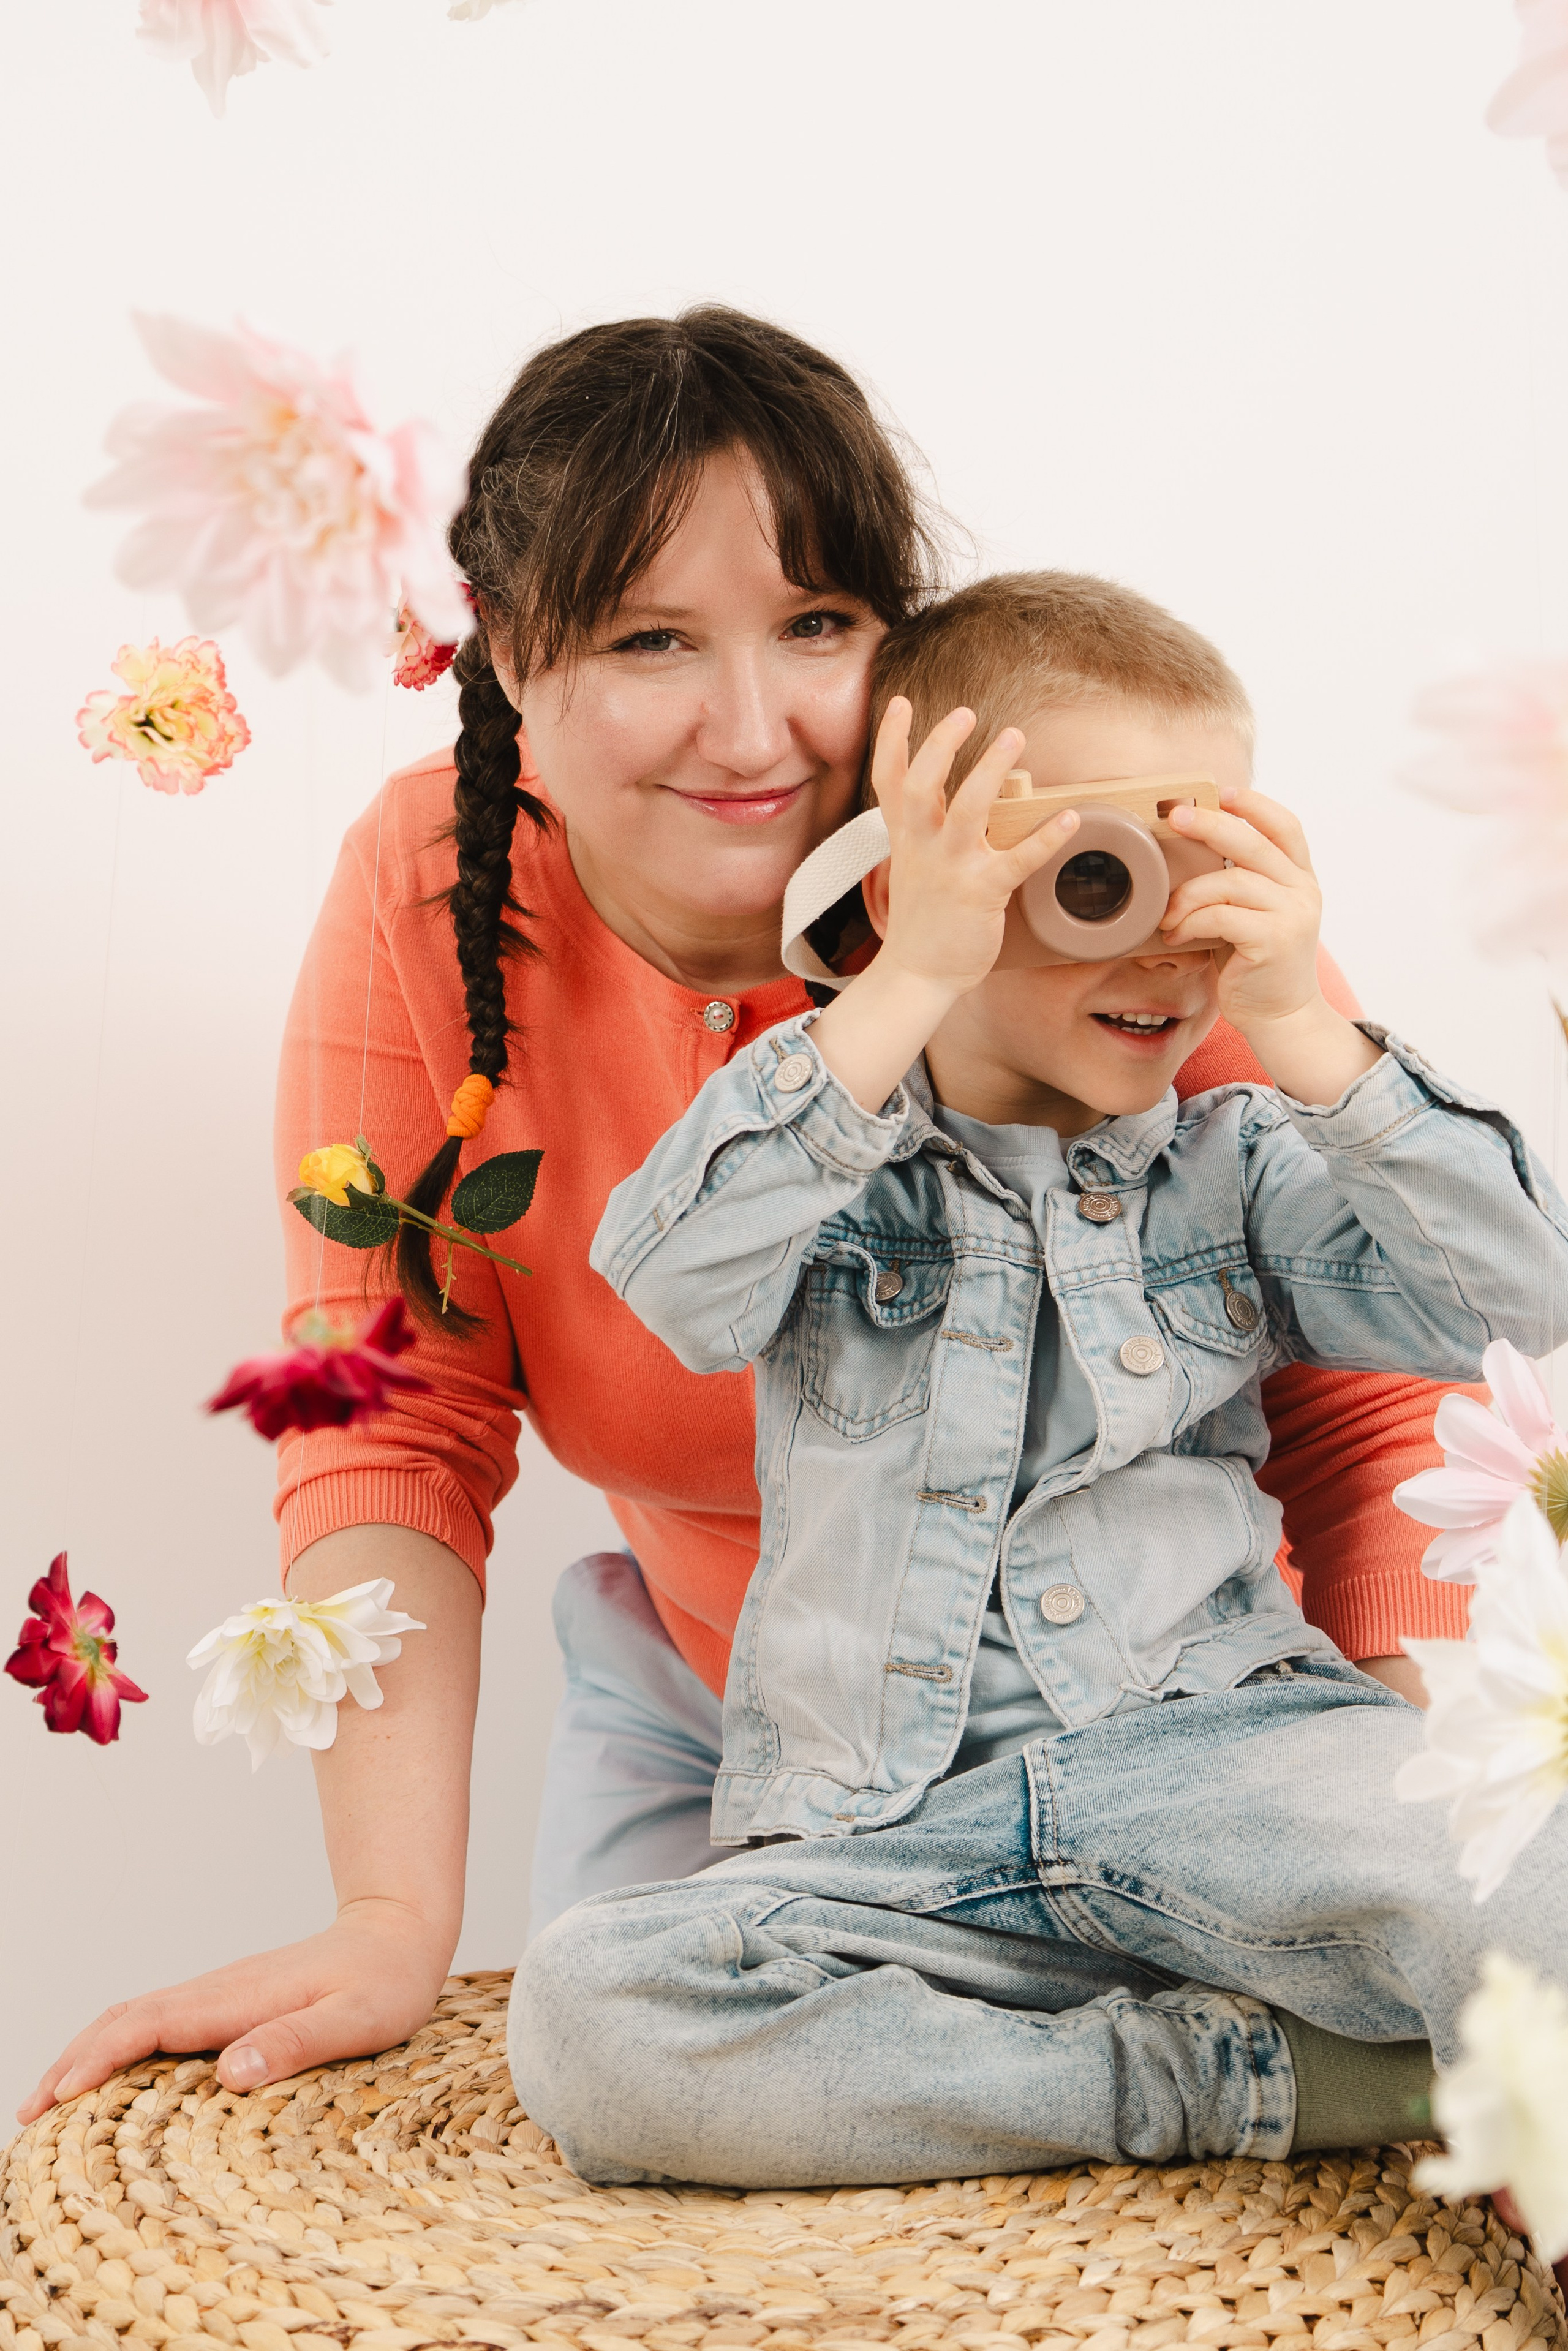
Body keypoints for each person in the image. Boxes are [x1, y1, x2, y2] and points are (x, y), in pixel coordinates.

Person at [19, 316, 1467, 2127]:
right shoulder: (431, 890)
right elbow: (397, 1413)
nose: (757, 729)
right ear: (509, 657)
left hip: (1179, 1729)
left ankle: (1286, 2045)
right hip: (754, 1753)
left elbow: (1374, 1383)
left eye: (819, 626)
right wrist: (390, 1916)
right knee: (614, 2054)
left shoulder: (1082, 875)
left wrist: (1399, 1854)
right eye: (650, 640)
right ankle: (1227, 2084)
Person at [511, 573, 1568, 2185]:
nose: (1166, 939)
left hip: (1232, 1771)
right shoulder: (825, 1158)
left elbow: (1529, 1295)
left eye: (1202, 863)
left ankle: (1322, 2048)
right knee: (595, 2017)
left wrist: (1305, 1023)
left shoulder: (1244, 1169)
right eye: (1097, 869)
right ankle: (1252, 2081)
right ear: (919, 876)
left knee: (1541, 1878)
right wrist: (902, 976)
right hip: (888, 1840)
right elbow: (675, 1279)